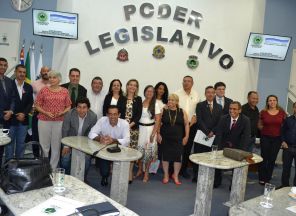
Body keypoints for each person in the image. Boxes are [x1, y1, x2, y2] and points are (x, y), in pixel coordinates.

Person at [35, 70, 72, 169]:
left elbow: (69, 106)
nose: (51, 79)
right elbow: (37, 105)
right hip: (43, 121)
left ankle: (53, 169)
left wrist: (62, 112)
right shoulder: (44, 90)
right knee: (44, 146)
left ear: (59, 79)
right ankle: (44, 168)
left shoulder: (65, 91)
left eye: (54, 77)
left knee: (56, 147)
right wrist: (46, 112)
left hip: (59, 122)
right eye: (50, 77)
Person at [88, 105, 130, 186]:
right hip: (105, 148)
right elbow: (91, 133)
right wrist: (100, 138)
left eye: (115, 114)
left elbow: (127, 140)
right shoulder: (102, 120)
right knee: (104, 171)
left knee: (119, 174)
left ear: (119, 115)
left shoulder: (125, 124)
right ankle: (105, 176)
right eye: (110, 114)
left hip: (120, 149)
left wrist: (113, 140)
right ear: (107, 115)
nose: (112, 116)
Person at [215, 101, 251, 187]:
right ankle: (217, 181)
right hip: (223, 146)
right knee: (218, 165)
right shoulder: (223, 118)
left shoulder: (245, 120)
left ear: (239, 110)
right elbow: (219, 135)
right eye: (230, 109)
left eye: (234, 109)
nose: (232, 111)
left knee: (236, 168)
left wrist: (242, 152)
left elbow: (246, 137)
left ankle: (234, 185)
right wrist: (218, 148)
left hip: (238, 147)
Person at [192, 86, 223, 183]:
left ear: (214, 94)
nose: (210, 94)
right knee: (199, 156)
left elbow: (220, 122)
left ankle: (212, 178)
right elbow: (199, 120)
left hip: (214, 136)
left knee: (212, 157)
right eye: (208, 92)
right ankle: (197, 176)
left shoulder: (219, 107)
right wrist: (207, 132)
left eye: (212, 92)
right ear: (205, 94)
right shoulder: (200, 105)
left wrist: (213, 132)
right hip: (202, 135)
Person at [61, 97, 97, 177]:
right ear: (75, 107)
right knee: (65, 159)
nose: (81, 110)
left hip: (85, 142)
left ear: (88, 108)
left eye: (84, 107)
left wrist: (89, 148)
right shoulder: (69, 114)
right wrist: (66, 146)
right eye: (79, 107)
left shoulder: (93, 116)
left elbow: (92, 133)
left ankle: (83, 178)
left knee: (87, 160)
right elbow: (65, 130)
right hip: (69, 141)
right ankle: (66, 177)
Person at [158, 94, 189, 185]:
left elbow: (187, 124)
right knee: (165, 157)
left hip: (178, 138)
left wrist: (186, 136)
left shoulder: (182, 111)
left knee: (178, 158)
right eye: (169, 100)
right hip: (165, 138)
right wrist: (158, 134)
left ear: (177, 102)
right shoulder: (163, 110)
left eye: (172, 100)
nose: (170, 102)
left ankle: (175, 175)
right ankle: (166, 175)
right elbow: (158, 123)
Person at [5, 64, 33, 160]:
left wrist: (24, 114)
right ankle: (8, 167)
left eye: (24, 72)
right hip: (10, 120)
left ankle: (18, 165)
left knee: (21, 145)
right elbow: (8, 102)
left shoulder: (29, 87)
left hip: (23, 121)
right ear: (15, 72)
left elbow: (30, 103)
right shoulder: (9, 85)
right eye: (20, 72)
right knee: (9, 144)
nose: (22, 74)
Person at [258, 95, 286, 185]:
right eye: (270, 100)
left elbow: (285, 126)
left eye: (274, 100)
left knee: (272, 159)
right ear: (267, 102)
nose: (272, 102)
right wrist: (265, 131)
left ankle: (268, 177)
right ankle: (262, 177)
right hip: (265, 138)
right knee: (264, 158)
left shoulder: (282, 113)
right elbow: (259, 125)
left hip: (277, 139)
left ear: (277, 101)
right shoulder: (263, 112)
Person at [175, 75, 199, 179]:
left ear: (192, 83)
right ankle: (173, 170)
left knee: (187, 148)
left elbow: (198, 110)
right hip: (179, 125)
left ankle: (183, 170)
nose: (186, 83)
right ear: (182, 82)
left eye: (189, 81)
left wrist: (195, 116)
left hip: (191, 125)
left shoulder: (197, 94)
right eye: (184, 81)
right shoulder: (176, 94)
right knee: (177, 148)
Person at [137, 85, 161, 182]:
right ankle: (139, 170)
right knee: (139, 151)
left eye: (151, 91)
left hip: (149, 130)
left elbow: (158, 120)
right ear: (144, 92)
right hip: (140, 129)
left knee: (147, 153)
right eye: (147, 91)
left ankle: (146, 173)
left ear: (153, 93)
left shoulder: (155, 104)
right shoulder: (141, 102)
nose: (149, 93)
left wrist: (153, 134)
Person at [121, 79, 142, 183]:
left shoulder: (138, 99)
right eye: (130, 85)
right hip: (121, 130)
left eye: (135, 85)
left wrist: (130, 125)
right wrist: (124, 126)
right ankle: (121, 172)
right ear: (127, 86)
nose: (132, 87)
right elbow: (118, 113)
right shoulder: (122, 98)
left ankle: (129, 173)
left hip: (133, 130)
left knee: (131, 152)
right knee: (122, 151)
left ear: (137, 88)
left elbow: (138, 115)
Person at [31, 66, 50, 156]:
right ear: (40, 72)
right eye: (44, 71)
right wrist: (32, 106)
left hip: (50, 115)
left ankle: (46, 158)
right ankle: (36, 157)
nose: (46, 72)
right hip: (38, 113)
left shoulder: (54, 84)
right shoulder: (34, 84)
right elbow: (28, 96)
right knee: (36, 136)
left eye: (47, 71)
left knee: (48, 137)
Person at [0, 57, 15, 165]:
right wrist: (2, 115)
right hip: (1, 118)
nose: (3, 67)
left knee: (2, 146)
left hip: (7, 120)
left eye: (5, 65)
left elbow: (13, 98)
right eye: (1, 65)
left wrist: (10, 111)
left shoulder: (10, 81)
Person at [281, 102, 296, 187]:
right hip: (288, 147)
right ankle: (284, 185)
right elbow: (282, 132)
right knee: (286, 168)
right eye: (295, 107)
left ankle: (295, 188)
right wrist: (283, 141)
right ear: (293, 108)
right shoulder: (288, 119)